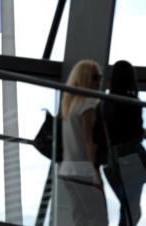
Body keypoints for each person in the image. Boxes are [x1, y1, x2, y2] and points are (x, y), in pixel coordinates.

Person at [102, 60, 146, 226]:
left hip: (112, 160)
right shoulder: (133, 102)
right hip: (131, 160)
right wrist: (144, 134)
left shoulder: (105, 102)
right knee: (131, 210)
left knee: (128, 209)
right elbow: (135, 134)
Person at [57, 59, 108, 226]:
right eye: (95, 77)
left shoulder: (69, 104)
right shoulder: (88, 103)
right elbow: (88, 140)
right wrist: (94, 173)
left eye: (100, 77)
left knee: (81, 218)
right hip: (83, 170)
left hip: (67, 169)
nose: (99, 81)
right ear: (85, 78)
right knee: (99, 219)